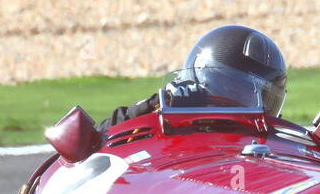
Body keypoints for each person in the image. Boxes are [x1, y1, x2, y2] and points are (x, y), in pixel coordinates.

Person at [98, 25, 288, 132]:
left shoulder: (276, 141)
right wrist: (155, 104)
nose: (253, 103)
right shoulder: (166, 121)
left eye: (264, 96)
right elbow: (102, 136)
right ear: (204, 82)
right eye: (236, 88)